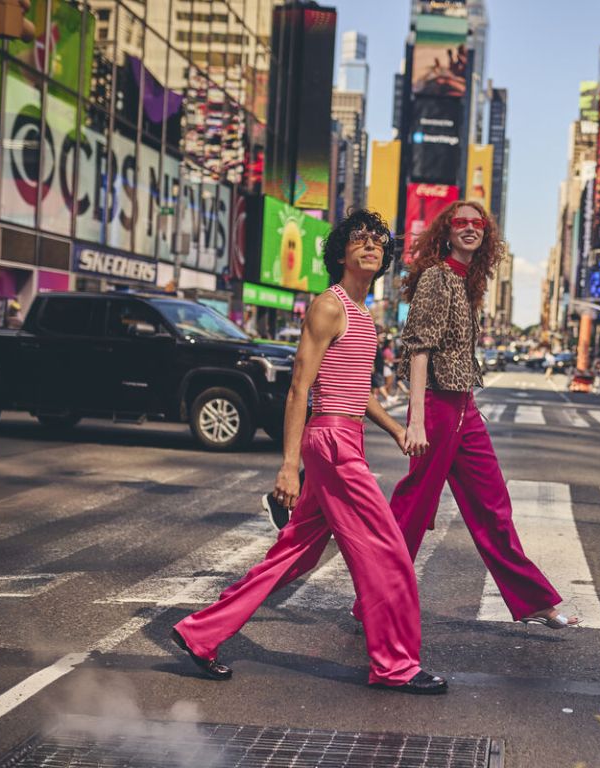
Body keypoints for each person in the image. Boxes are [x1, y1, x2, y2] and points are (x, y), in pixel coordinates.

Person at [172, 210, 447, 695]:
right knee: (389, 554)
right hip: (332, 443)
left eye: (377, 242)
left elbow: (356, 391)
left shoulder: (362, 316)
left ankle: (201, 633)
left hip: (347, 438)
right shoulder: (329, 306)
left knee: (293, 556)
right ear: (340, 253)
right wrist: (288, 466)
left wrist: (396, 430)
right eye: (359, 240)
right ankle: (395, 665)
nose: (370, 247)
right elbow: (301, 387)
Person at [385, 199, 578, 630]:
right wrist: (416, 419)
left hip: (464, 409)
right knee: (414, 507)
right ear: (447, 231)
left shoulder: (467, 281)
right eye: (461, 223)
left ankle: (532, 600)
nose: (470, 229)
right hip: (436, 407)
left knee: (493, 505)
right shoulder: (437, 278)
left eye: (478, 224)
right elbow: (418, 349)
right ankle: (377, 598)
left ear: (486, 235)